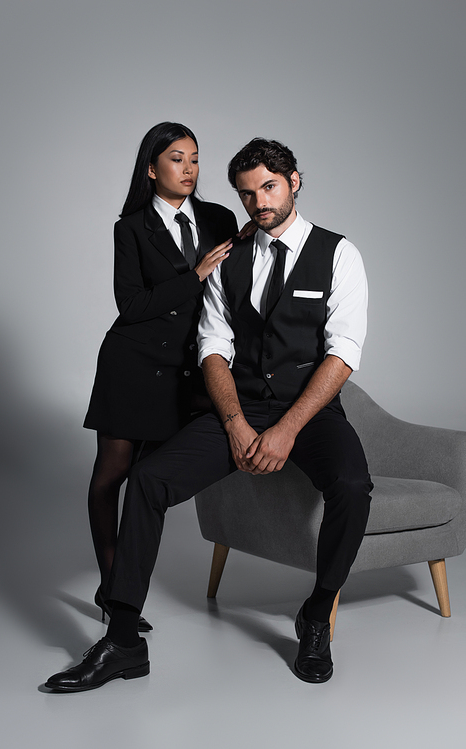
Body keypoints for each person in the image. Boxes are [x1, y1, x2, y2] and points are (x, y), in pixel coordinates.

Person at [46, 137, 373, 691]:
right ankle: (123, 640)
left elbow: (344, 354)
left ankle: (317, 615)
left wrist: (287, 430)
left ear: (295, 181)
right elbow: (212, 348)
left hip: (308, 414)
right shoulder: (229, 258)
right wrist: (239, 425)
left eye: (269, 187)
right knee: (147, 480)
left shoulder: (340, 254)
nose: (259, 203)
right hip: (239, 409)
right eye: (247, 195)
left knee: (353, 484)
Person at [83, 122, 238, 630]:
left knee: (152, 481)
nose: (189, 168)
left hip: (186, 375)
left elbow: (237, 290)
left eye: (194, 158)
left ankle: (123, 591)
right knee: (112, 475)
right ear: (152, 169)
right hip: (131, 367)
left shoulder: (219, 218)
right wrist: (193, 277)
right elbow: (131, 306)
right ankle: (114, 590)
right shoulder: (130, 227)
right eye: (177, 158)